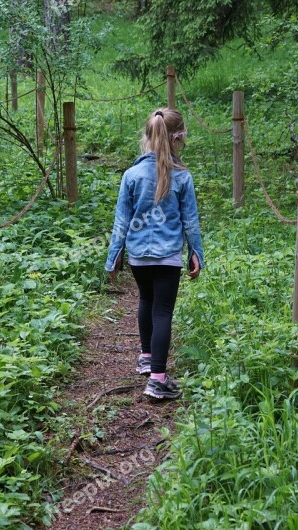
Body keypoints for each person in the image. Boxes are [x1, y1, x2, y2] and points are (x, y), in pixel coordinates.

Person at [104, 107, 205, 400]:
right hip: (167, 256)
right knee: (162, 311)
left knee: (146, 301)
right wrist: (195, 253)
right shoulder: (182, 177)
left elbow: (121, 221)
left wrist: (115, 256)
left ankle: (147, 357)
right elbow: (191, 221)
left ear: (147, 136)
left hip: (138, 256)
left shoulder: (131, 174)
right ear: (178, 138)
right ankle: (159, 379)